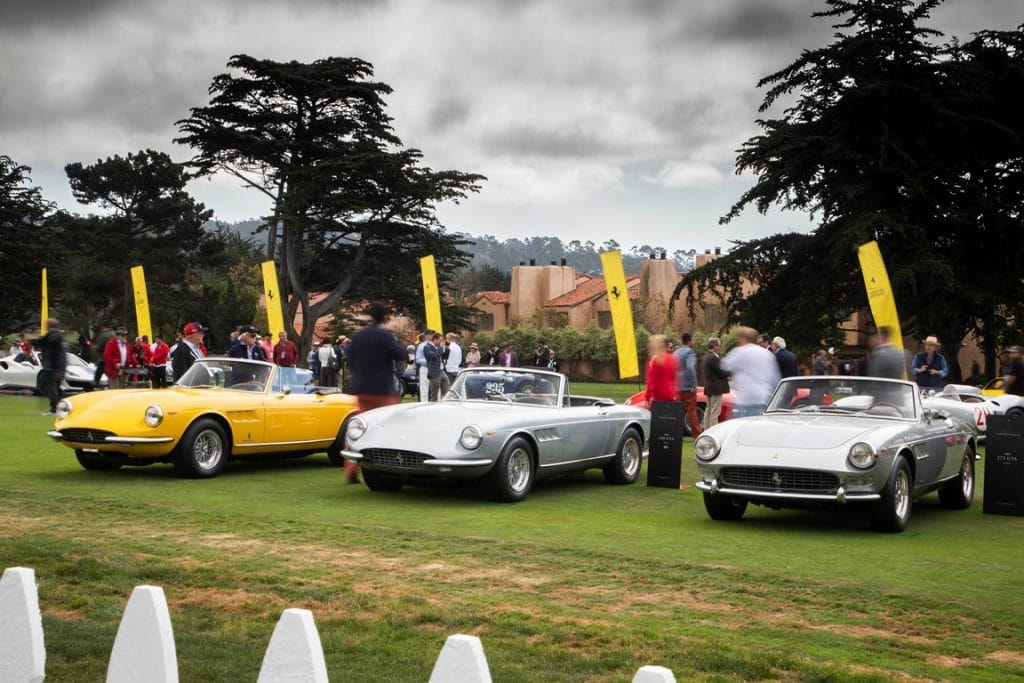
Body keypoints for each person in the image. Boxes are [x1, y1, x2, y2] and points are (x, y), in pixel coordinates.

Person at [344, 302, 408, 483]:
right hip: (382, 390)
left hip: (362, 389)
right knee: (389, 428)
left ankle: (351, 465)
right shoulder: (386, 336)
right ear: (385, 317)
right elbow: (401, 355)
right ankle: (389, 465)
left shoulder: (359, 336)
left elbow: (349, 356)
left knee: (360, 427)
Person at [721, 326, 780, 418]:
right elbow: (775, 379)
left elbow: (724, 365)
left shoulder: (741, 351)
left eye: (739, 337)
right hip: (762, 399)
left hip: (745, 399)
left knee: (738, 429)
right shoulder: (767, 354)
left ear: (744, 338)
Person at [32, 319, 67, 415]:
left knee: (52, 388)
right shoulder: (60, 336)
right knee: (57, 387)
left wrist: (32, 340)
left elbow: (40, 342)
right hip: (60, 366)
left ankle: (54, 409)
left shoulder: (52, 336)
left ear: (49, 326)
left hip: (52, 366)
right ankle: (60, 408)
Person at [673, 333, 701, 437]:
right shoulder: (690, 352)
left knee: (677, 413)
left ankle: (675, 435)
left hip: (677, 387)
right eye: (693, 340)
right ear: (689, 341)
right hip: (688, 388)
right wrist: (693, 385)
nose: (693, 342)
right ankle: (697, 435)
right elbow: (690, 368)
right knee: (692, 412)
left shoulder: (676, 352)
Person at [702, 337, 730, 429]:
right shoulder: (713, 357)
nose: (720, 347)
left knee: (708, 410)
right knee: (715, 412)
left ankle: (706, 430)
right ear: (714, 346)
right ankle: (713, 431)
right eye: (719, 345)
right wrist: (729, 373)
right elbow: (721, 371)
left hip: (709, 387)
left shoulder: (707, 356)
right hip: (716, 388)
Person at [644, 334, 677, 405]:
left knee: (658, 415)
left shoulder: (655, 359)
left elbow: (651, 381)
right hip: (670, 394)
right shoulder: (672, 359)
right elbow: (674, 378)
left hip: (658, 395)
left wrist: (647, 397)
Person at [424, 333, 445, 401]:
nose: (440, 342)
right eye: (440, 340)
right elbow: (433, 356)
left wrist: (445, 348)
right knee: (434, 394)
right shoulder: (427, 347)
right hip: (434, 373)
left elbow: (445, 356)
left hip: (442, 371)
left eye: (442, 341)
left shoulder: (439, 347)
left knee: (447, 391)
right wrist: (440, 348)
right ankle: (432, 408)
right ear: (435, 339)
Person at [414, 331, 431, 402]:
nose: (431, 336)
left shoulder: (436, 345)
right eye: (430, 334)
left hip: (434, 369)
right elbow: (417, 359)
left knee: (436, 389)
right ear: (426, 336)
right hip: (425, 368)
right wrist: (428, 361)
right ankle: (424, 404)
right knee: (424, 389)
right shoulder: (421, 346)